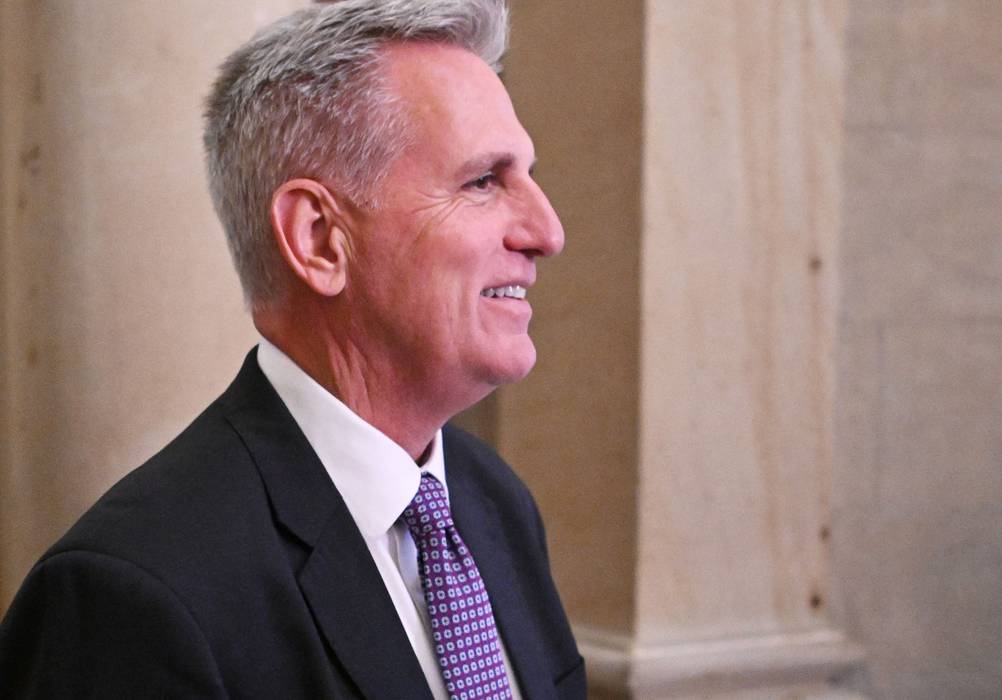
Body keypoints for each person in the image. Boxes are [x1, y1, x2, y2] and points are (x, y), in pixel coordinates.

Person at [0, 1, 584, 697]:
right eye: (483, 181)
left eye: (527, 175)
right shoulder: (131, 595)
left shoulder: (493, 502)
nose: (546, 231)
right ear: (318, 240)